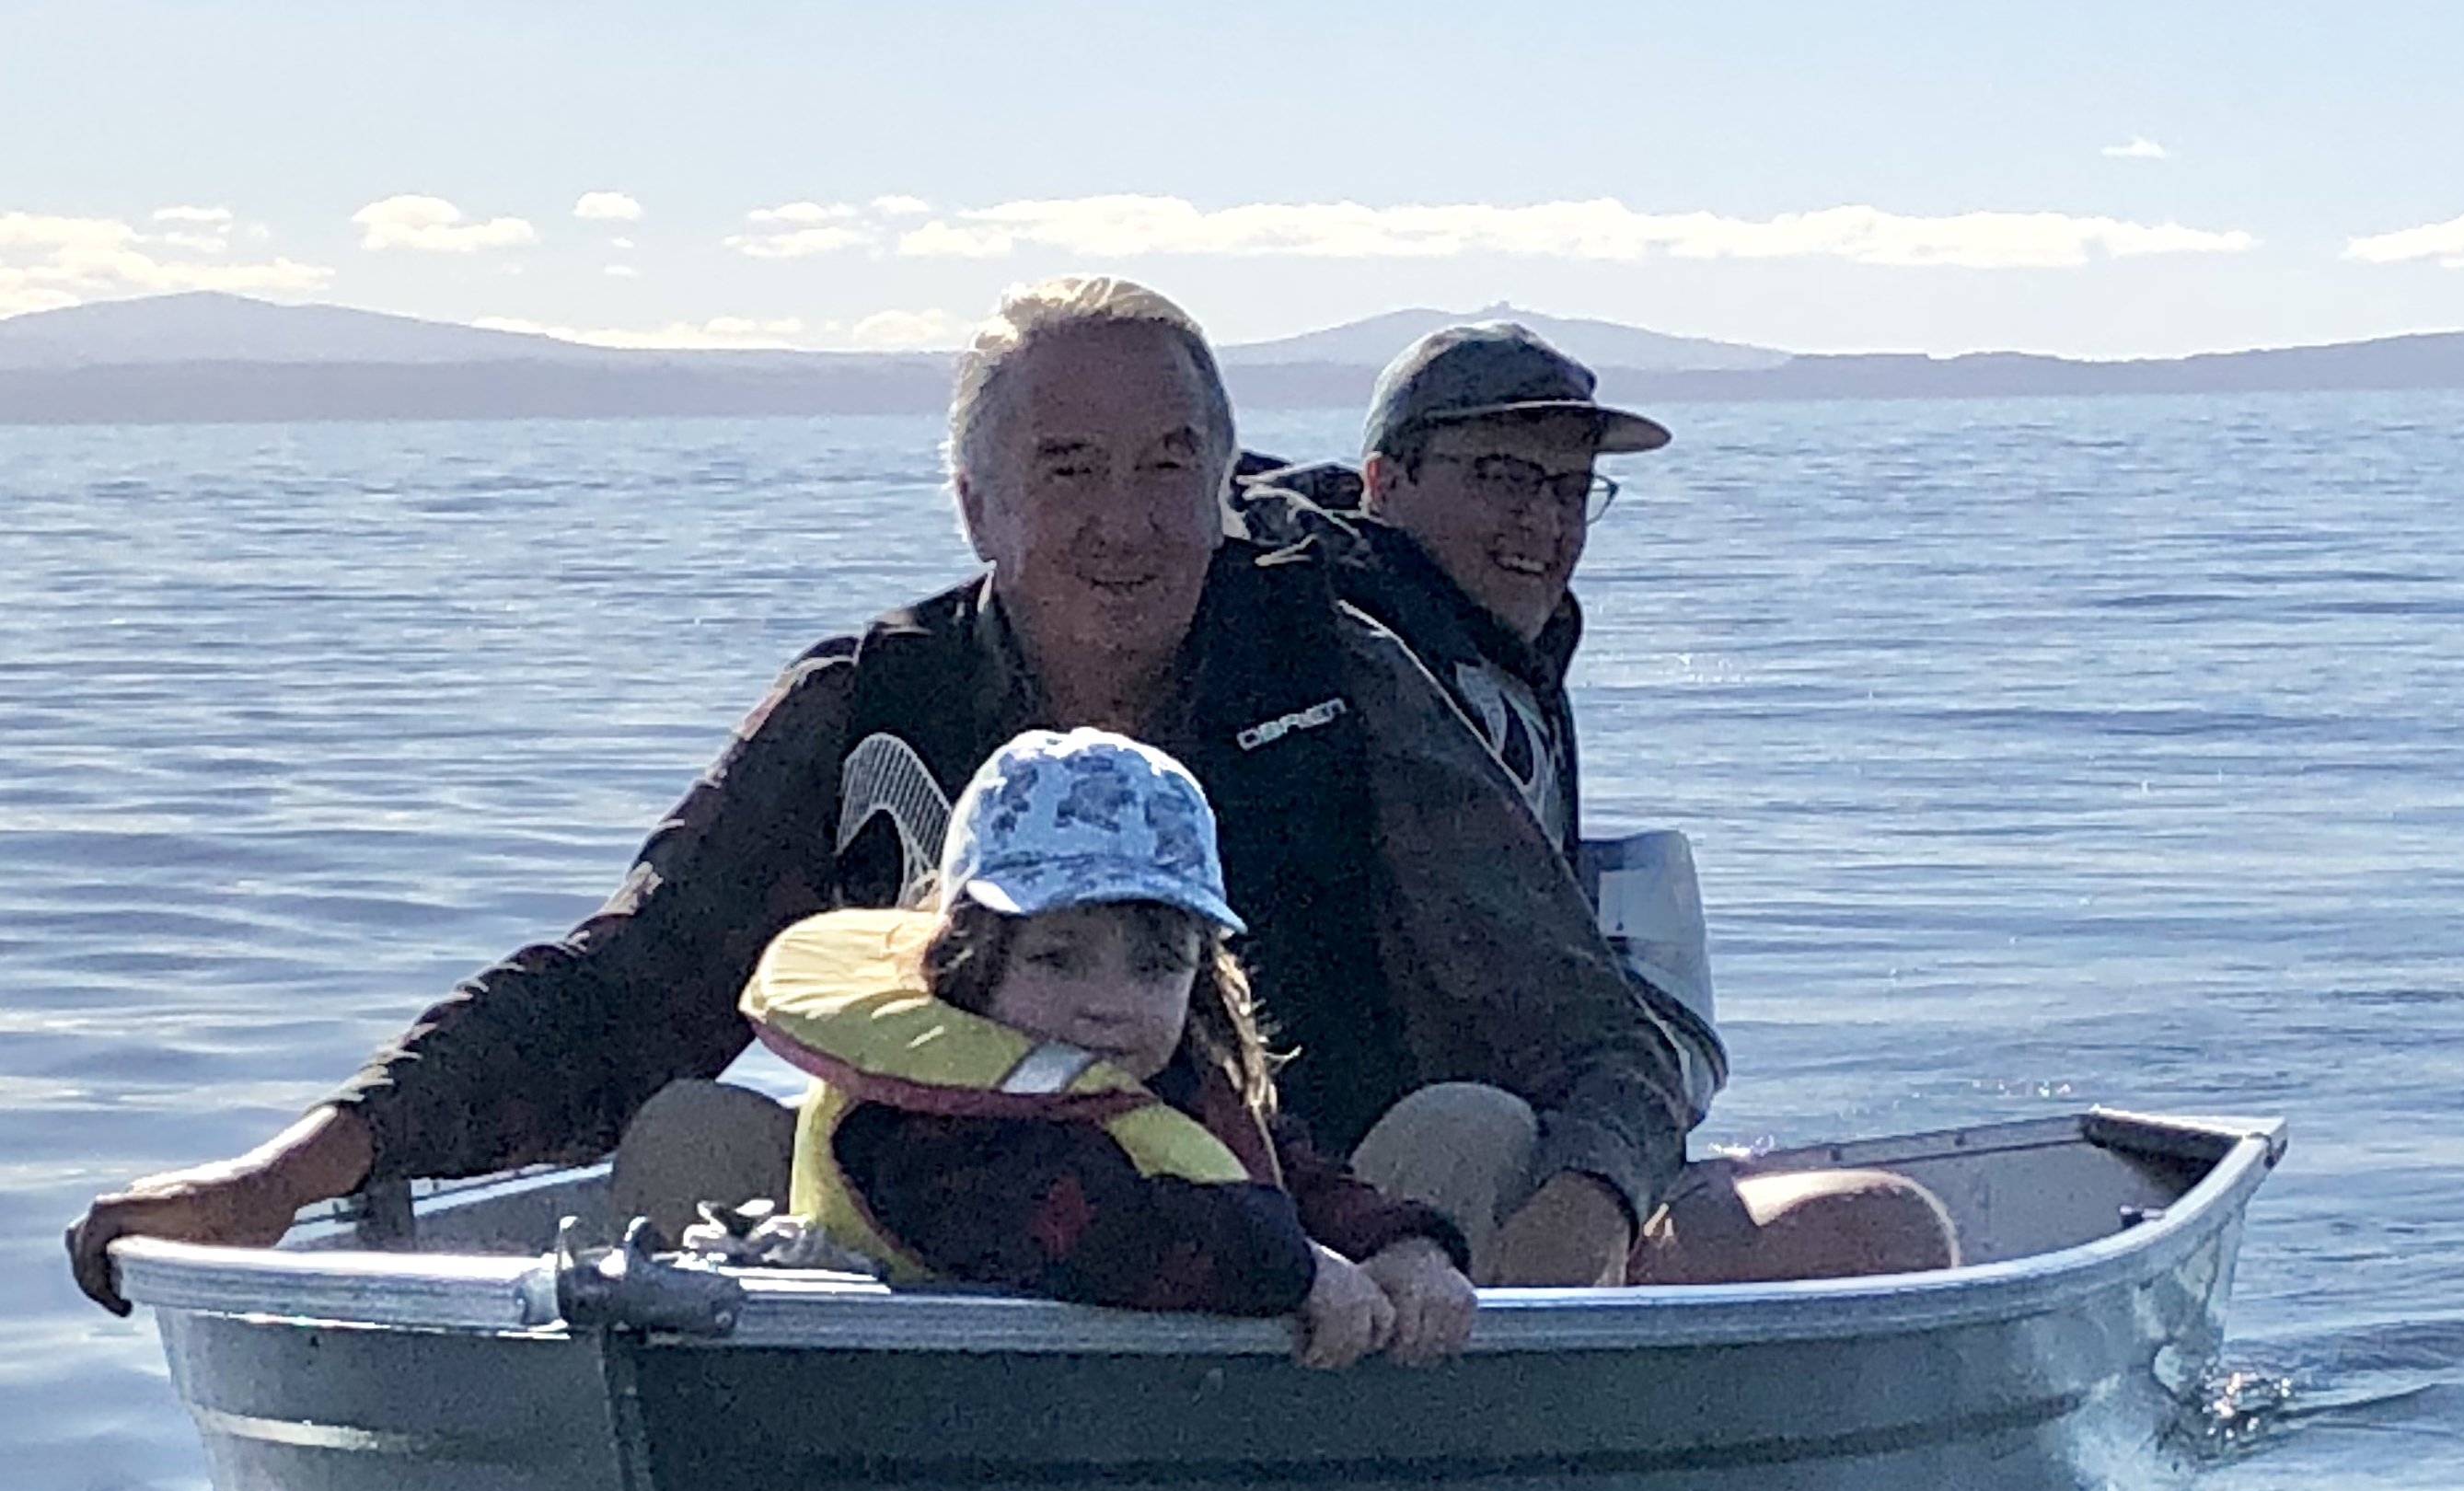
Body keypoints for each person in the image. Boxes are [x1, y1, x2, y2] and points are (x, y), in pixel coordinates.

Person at [67, 275, 1687, 1312]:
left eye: (1169, 462)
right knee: (694, 1125)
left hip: (1305, 1280)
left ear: (1229, 476)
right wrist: (283, 1175)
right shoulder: (871, 707)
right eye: (1067, 468)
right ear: (975, 501)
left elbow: (1596, 1034)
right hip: (943, 1279)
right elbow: (615, 991)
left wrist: (1587, 1214)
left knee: (1480, 1127)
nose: (1126, 520)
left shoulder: (1344, 677)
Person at [1243, 321, 1961, 1283]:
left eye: (1569, 488)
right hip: (1399, 1206)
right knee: (1879, 1232)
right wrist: (1594, 1178)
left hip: (1485, 1156)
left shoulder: (1487, 658)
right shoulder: (1360, 672)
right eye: (1501, 476)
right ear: (1384, 481)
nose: (1541, 523)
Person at [749, 727, 1474, 1369]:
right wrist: (1298, 1271)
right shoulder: (915, 1130)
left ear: (1201, 977)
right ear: (969, 959)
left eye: (1156, 967)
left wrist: (1401, 1246)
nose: (1110, 1004)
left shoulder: (1169, 1088)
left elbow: (1296, 1181)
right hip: (956, 1427)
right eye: (1058, 960)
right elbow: (1106, 1237)